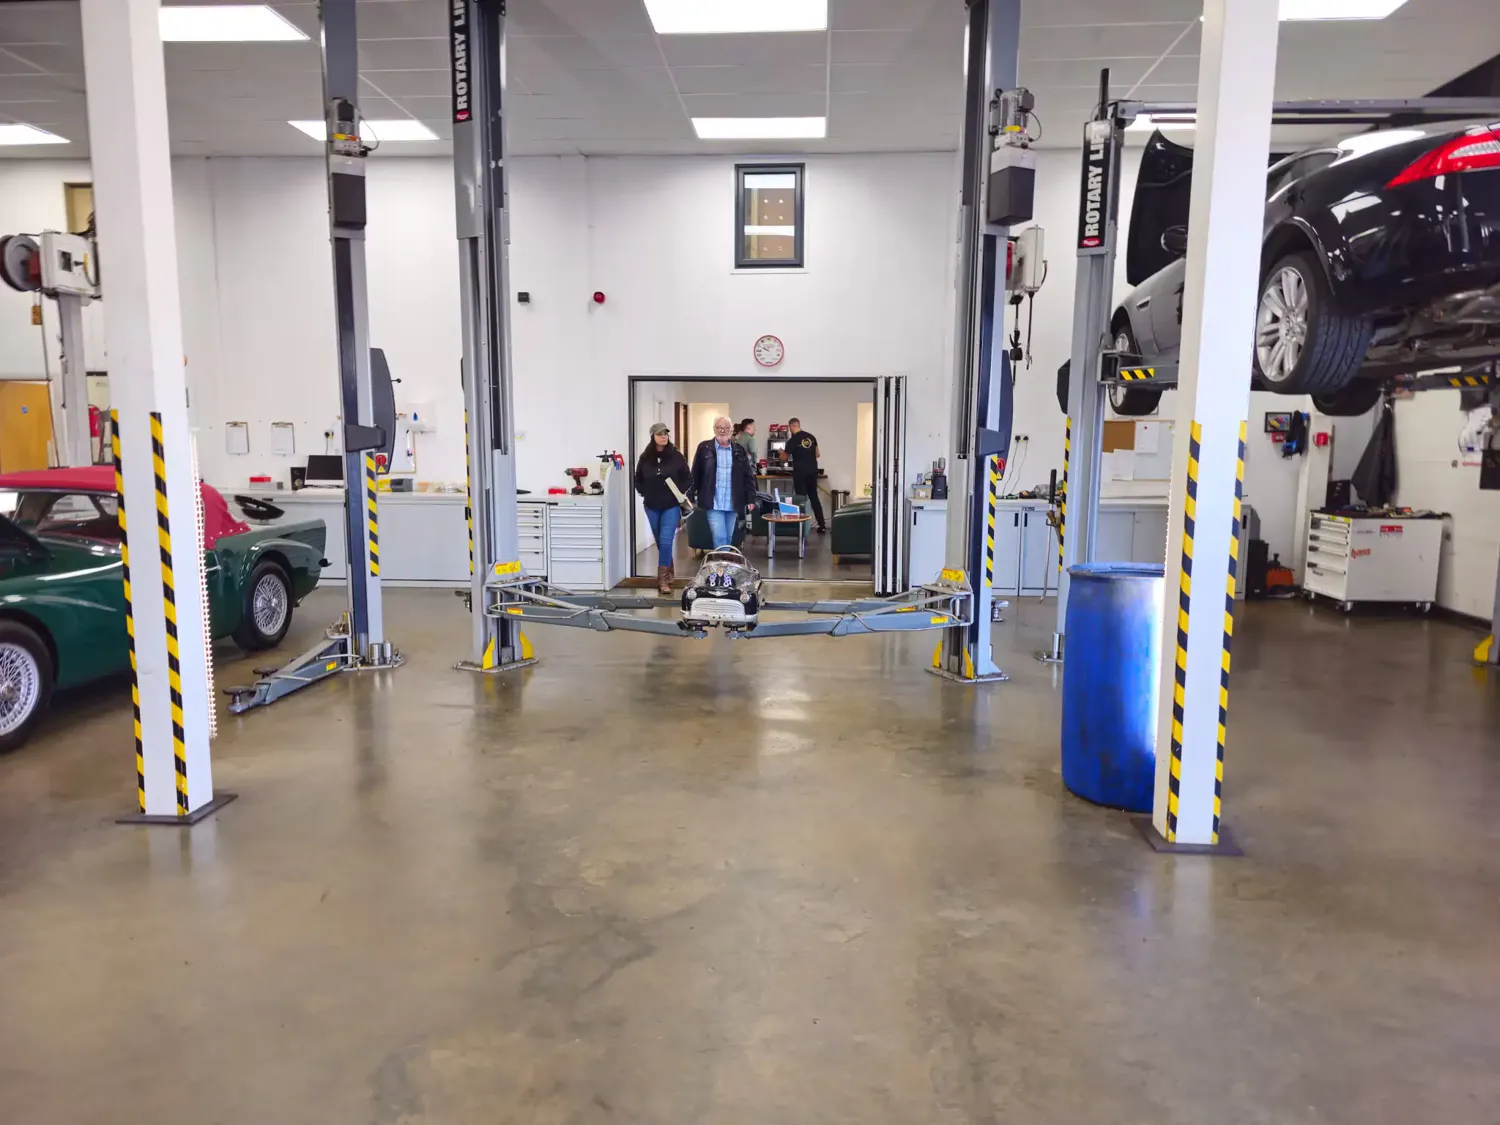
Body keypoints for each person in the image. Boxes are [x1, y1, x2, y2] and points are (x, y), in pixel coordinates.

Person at [634, 422, 692, 594]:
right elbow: (638, 479)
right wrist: (644, 491)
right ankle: (669, 570)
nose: (664, 436)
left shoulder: (676, 456)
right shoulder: (645, 458)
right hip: (651, 505)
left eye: (666, 433)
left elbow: (688, 478)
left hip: (671, 505)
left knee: (666, 541)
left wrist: (678, 491)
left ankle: (662, 580)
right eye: (660, 434)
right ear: (653, 436)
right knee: (661, 542)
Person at [691, 415, 756, 549]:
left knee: (728, 537)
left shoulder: (739, 450)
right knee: (719, 536)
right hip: (714, 502)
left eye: (726, 428)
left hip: (733, 501)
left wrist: (750, 498)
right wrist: (690, 496)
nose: (722, 430)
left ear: (731, 430)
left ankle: (722, 560)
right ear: (714, 429)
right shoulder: (704, 448)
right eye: (719, 427)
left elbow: (747, 476)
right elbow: (695, 473)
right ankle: (722, 562)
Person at [786, 416, 826, 533]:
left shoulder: (793, 440)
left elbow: (784, 457)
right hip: (813, 471)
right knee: (814, 497)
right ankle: (822, 525)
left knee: (801, 499)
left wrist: (781, 453)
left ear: (791, 427)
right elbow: (817, 454)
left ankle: (801, 528)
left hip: (800, 473)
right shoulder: (811, 437)